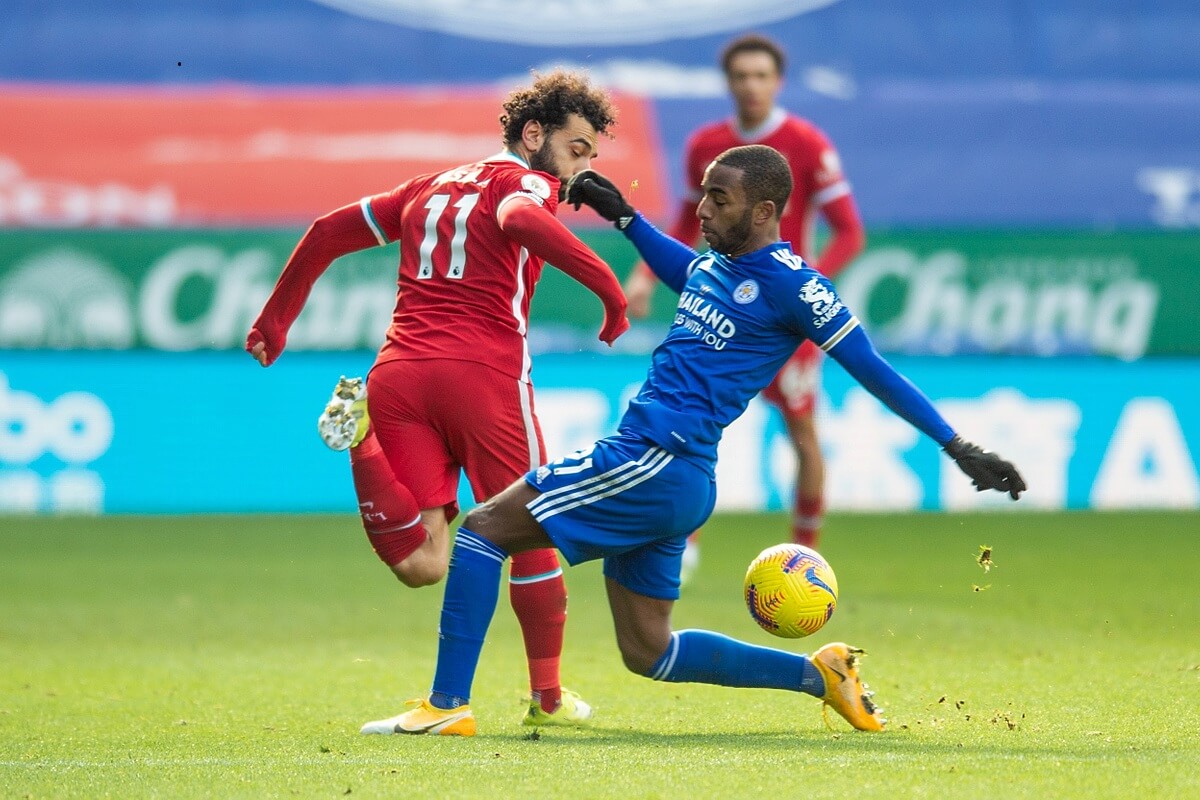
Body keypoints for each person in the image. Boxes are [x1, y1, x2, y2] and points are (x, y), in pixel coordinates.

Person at [367, 144, 1025, 737]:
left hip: (653, 457)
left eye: (720, 198)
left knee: (482, 528)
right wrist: (626, 218)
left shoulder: (795, 286)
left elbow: (873, 368)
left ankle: (446, 705)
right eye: (704, 193)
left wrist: (956, 444)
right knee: (648, 651)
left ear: (765, 210)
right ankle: (819, 675)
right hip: (679, 478)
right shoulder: (722, 266)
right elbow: (687, 270)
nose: (703, 208)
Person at [245, 70, 630, 731]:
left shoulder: (428, 187)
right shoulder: (525, 183)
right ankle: (547, 697)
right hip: (482, 376)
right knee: (531, 529)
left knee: (423, 561)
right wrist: (611, 290)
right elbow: (516, 218)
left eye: (592, 157)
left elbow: (327, 230)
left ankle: (359, 438)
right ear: (533, 135)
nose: (579, 172)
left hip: (397, 376)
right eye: (576, 150)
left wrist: (274, 321)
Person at [628, 34, 866, 576]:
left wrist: (805, 300)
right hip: (728, 316)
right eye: (742, 76)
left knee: (803, 437)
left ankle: (807, 553)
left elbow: (850, 233)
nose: (751, 85)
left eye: (762, 75)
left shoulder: (806, 144)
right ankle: (683, 543)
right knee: (698, 424)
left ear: (777, 82)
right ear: (729, 83)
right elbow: (689, 222)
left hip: (784, 325)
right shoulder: (707, 146)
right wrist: (643, 276)